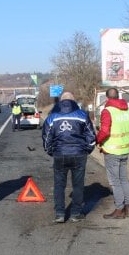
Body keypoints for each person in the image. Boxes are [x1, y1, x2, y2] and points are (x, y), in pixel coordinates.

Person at [42, 91, 96, 223]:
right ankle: (75, 213)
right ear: (73, 101)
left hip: (60, 154)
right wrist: (87, 150)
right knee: (78, 185)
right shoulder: (82, 115)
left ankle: (60, 213)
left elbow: (46, 139)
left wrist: (51, 152)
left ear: (61, 102)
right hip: (79, 154)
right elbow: (91, 136)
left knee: (59, 185)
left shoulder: (52, 117)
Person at [96, 87, 129, 219]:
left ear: (107, 98)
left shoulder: (107, 111)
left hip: (112, 151)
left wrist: (98, 140)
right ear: (118, 96)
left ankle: (119, 209)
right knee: (124, 179)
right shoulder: (128, 110)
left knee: (115, 181)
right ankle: (128, 207)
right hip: (125, 149)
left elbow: (105, 131)